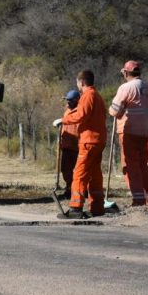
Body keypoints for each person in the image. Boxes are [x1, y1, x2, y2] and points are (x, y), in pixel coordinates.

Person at [61, 70, 107, 218]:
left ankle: (76, 207)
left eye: (78, 83)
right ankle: (97, 208)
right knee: (94, 175)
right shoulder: (98, 96)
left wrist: (63, 120)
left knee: (79, 174)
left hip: (89, 140)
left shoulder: (88, 95)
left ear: (82, 82)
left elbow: (81, 115)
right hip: (98, 140)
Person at [109, 60, 148, 206]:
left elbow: (115, 111)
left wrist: (112, 110)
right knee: (143, 166)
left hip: (128, 133)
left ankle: (138, 199)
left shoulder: (126, 87)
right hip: (143, 132)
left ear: (126, 72)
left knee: (131, 166)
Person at [53, 90, 81, 198]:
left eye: (70, 100)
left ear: (77, 100)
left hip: (76, 146)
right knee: (65, 170)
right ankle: (69, 189)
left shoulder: (80, 111)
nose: (68, 102)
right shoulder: (67, 110)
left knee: (77, 171)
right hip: (66, 145)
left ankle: (78, 190)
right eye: (67, 100)